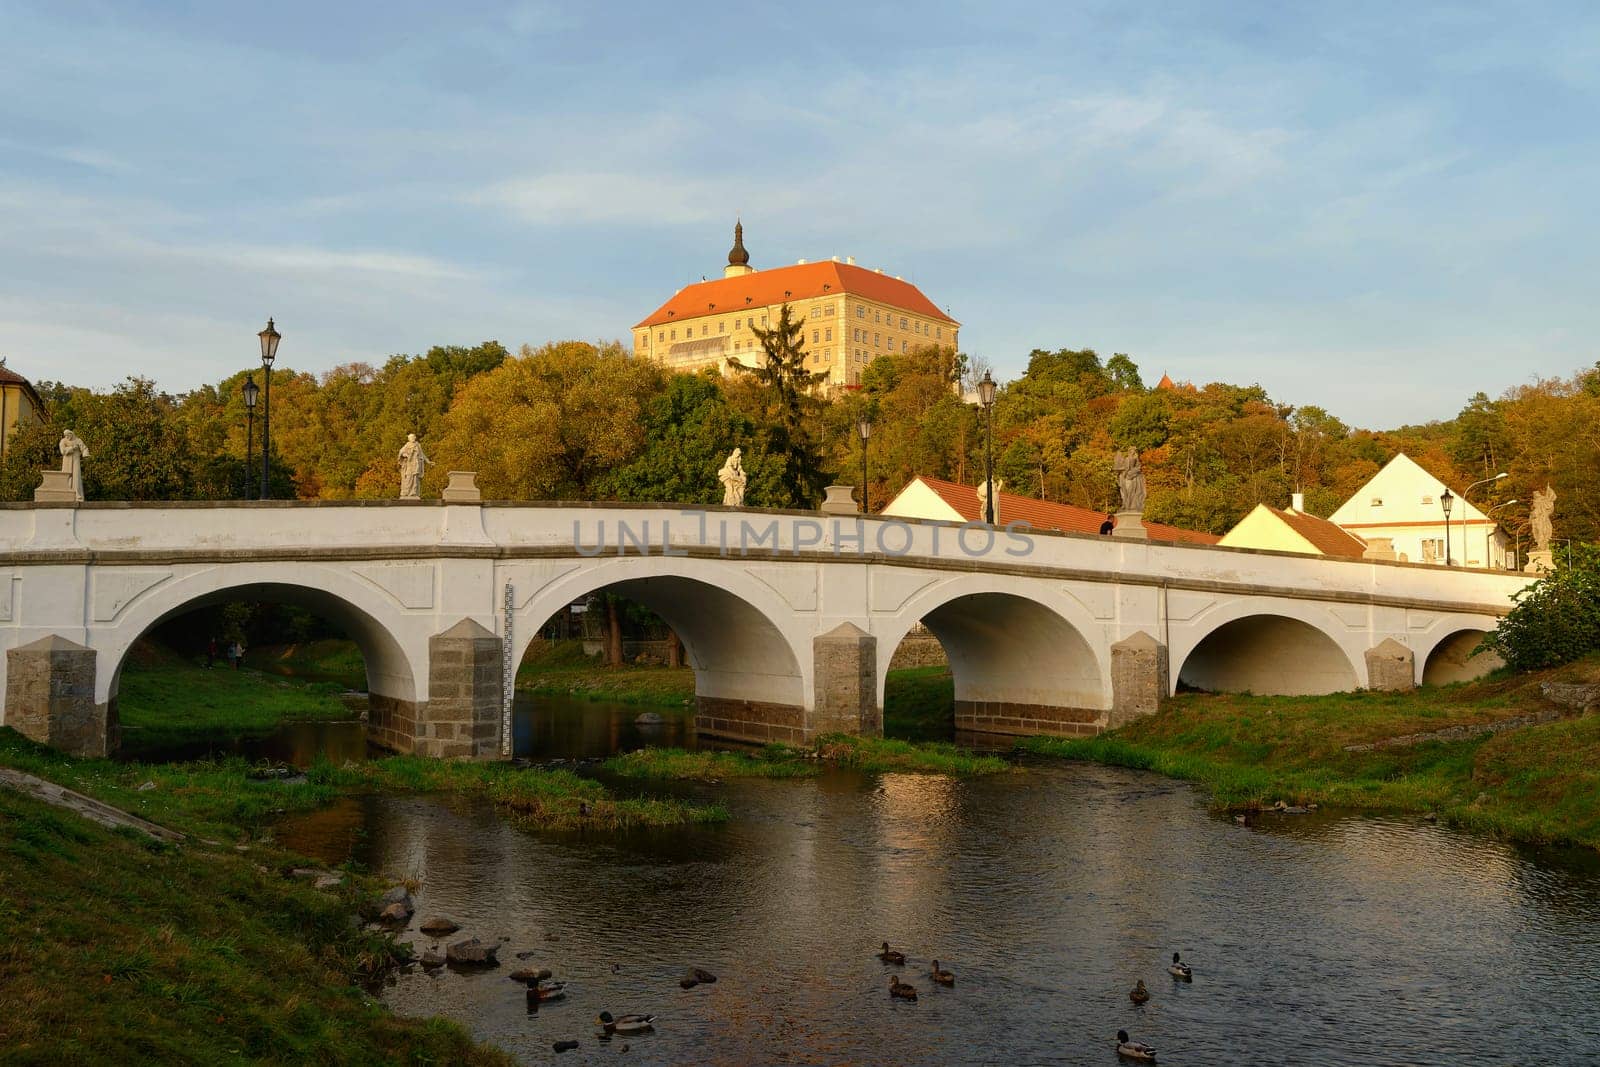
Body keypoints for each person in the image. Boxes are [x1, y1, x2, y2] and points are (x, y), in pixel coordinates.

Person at [398, 433, 429, 499]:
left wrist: (428, 461)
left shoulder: (418, 445)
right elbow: (401, 452)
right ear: (409, 439)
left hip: (416, 464)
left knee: (415, 479)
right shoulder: (407, 445)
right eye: (411, 437)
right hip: (409, 464)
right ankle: (406, 492)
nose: (413, 438)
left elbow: (422, 454)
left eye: (413, 437)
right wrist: (405, 455)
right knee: (408, 478)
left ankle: (413, 493)